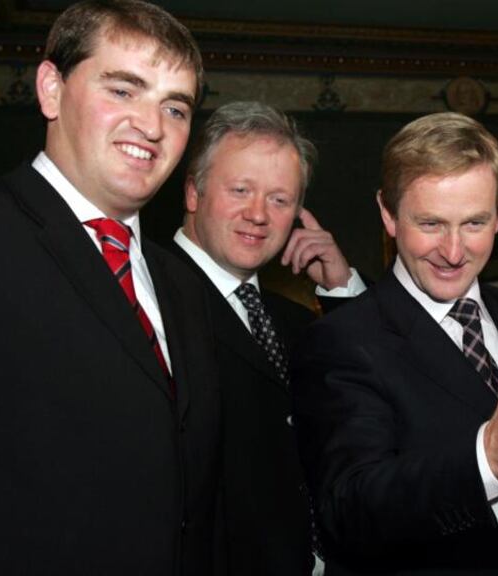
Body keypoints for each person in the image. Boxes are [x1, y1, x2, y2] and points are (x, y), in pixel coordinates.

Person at [0, 1, 220, 574]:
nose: (152, 126)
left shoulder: (183, 286)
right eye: (123, 90)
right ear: (51, 90)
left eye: (175, 107)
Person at [291, 112, 498, 576]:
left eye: (474, 223)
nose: (452, 252)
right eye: (430, 224)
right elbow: (350, 510)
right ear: (388, 214)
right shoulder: (341, 340)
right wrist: (488, 457)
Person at [172, 100, 365, 576]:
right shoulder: (148, 296)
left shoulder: (296, 321)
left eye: (280, 200)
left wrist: (341, 290)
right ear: (193, 192)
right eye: (241, 190)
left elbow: (373, 411)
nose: (258, 214)